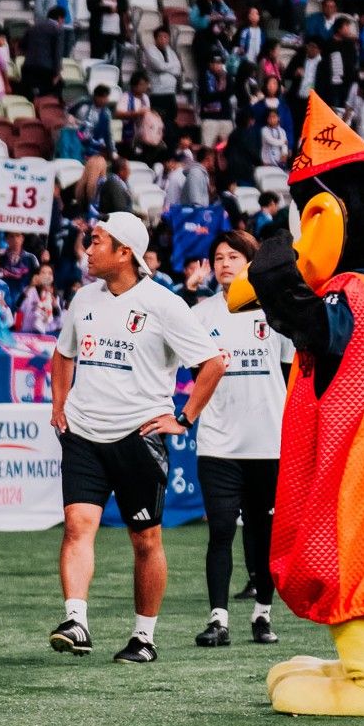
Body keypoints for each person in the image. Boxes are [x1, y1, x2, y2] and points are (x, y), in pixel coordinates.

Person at [48, 212, 223, 664]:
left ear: (124, 251)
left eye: (97, 241)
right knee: (76, 526)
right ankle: (76, 620)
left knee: (145, 540)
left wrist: (183, 418)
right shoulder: (83, 298)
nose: (87, 249)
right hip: (83, 435)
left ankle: (144, 637)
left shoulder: (163, 304)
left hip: (138, 435)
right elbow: (63, 354)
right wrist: (59, 405)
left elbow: (212, 364)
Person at [190, 231, 291, 647]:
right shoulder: (200, 315)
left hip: (268, 443)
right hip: (218, 445)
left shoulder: (278, 312)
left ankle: (262, 617)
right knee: (219, 534)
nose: (225, 263)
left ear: (250, 262)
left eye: (234, 256)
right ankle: (218, 621)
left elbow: (289, 377)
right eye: (218, 257)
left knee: (263, 535)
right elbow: (194, 376)